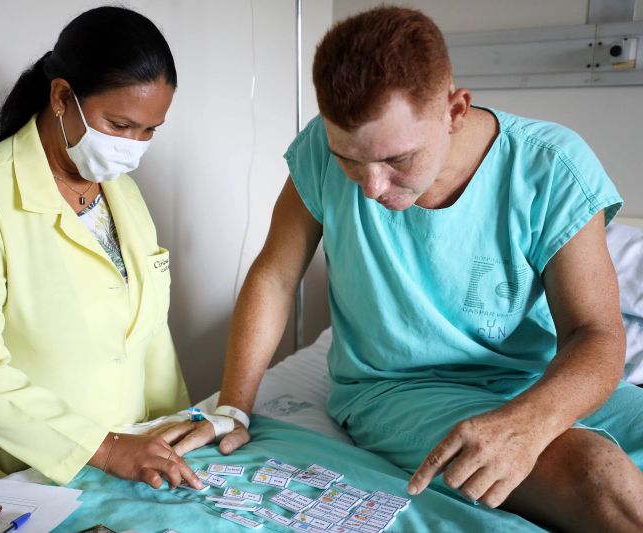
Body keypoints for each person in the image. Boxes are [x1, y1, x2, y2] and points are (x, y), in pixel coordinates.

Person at [172, 6, 643, 531]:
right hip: (395, 389)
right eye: (349, 158)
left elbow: (596, 335)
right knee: (595, 472)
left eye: (397, 160)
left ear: (455, 110)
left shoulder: (549, 168)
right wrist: (233, 405)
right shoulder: (317, 153)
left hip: (533, 380)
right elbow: (275, 278)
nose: (371, 186)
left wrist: (530, 422)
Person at [0, 6, 205, 491]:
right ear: (63, 97)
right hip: (9, 477)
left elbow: (149, 336)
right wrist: (106, 448)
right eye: (119, 124)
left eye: (150, 130)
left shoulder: (121, 192)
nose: (133, 146)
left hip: (122, 469)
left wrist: (172, 429)